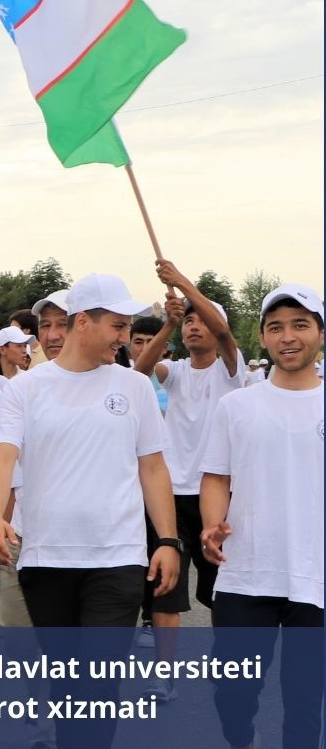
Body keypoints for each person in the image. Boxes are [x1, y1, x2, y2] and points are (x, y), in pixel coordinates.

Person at [0, 272, 179, 749]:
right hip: (45, 558)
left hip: (117, 558)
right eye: (117, 324)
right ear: (81, 322)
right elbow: (2, 454)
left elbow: (153, 467)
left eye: (128, 325)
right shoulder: (26, 388)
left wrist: (168, 540)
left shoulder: (134, 387)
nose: (125, 334)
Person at [199, 284, 325, 749]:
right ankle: (240, 743)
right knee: (235, 688)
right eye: (276, 327)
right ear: (263, 337)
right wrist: (211, 523)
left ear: (319, 333)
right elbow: (216, 476)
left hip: (313, 577)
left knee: (304, 697)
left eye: (300, 324)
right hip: (247, 570)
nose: (287, 336)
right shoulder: (238, 405)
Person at [131, 258, 241, 626]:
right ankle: (166, 682)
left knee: (221, 590)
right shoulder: (175, 372)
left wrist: (181, 280)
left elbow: (225, 335)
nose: (195, 326)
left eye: (201, 320)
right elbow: (141, 370)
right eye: (190, 321)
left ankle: (227, 663)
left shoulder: (231, 370)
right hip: (173, 494)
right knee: (166, 587)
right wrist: (169, 324)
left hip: (218, 493)